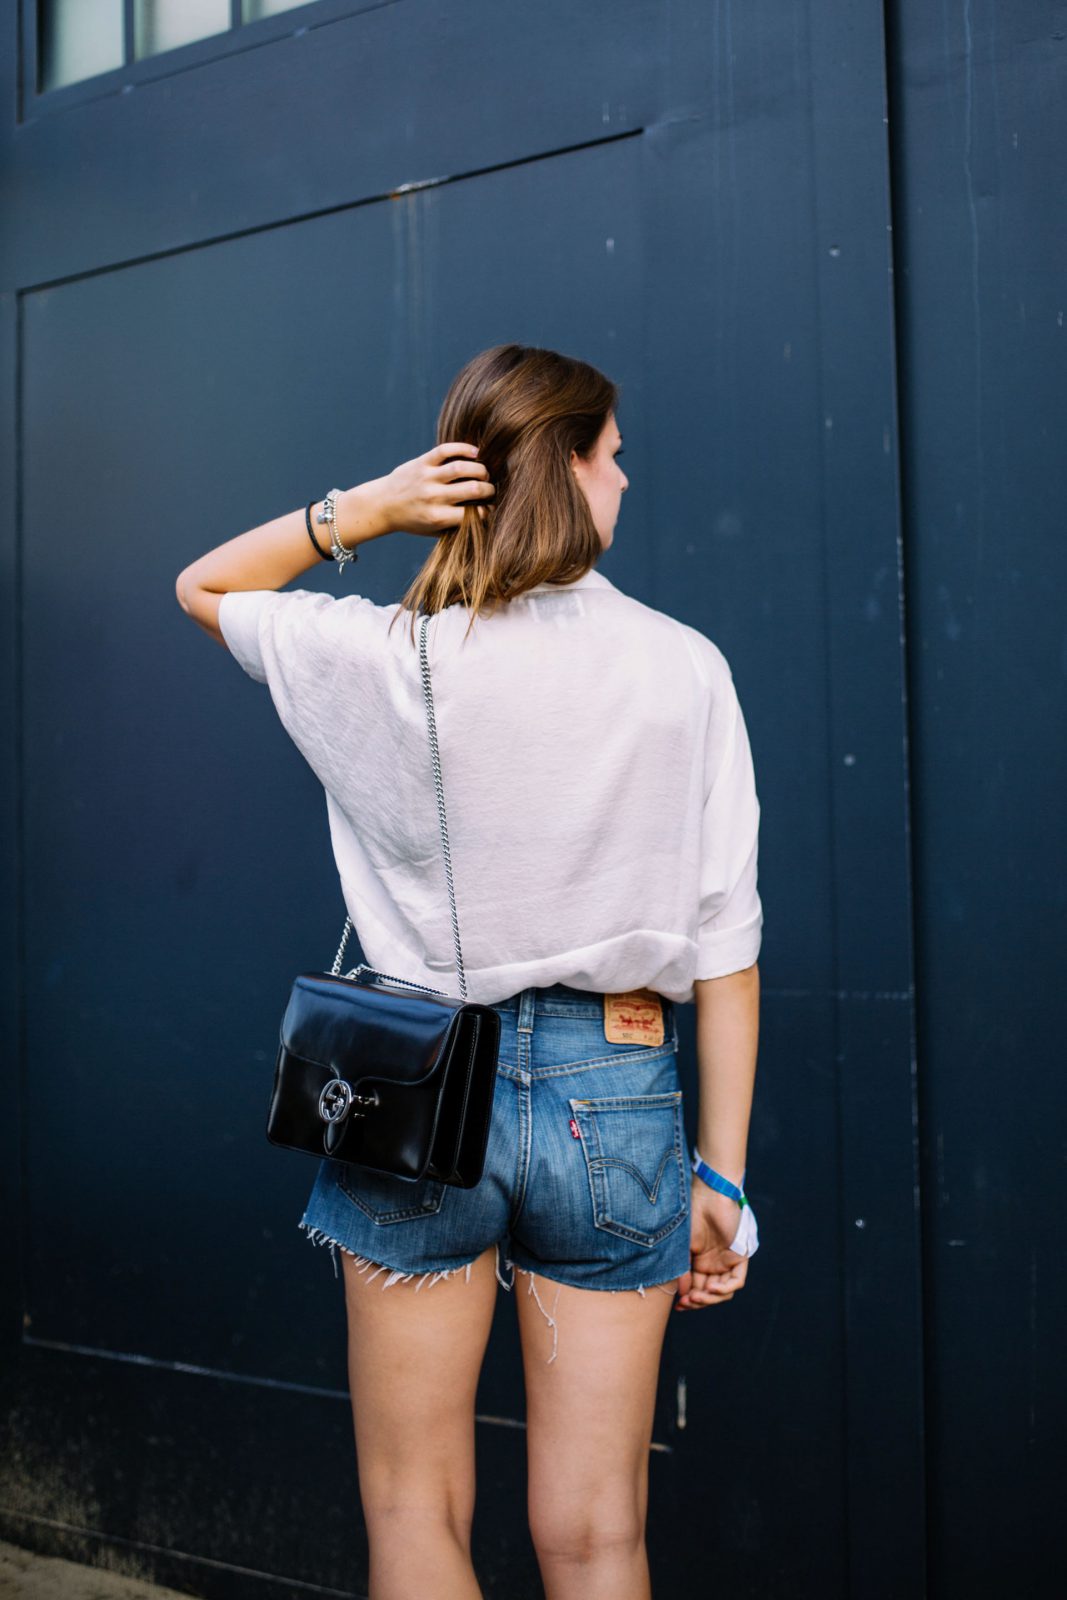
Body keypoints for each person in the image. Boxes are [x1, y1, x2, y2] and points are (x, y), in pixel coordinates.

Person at [175, 343, 763, 1600]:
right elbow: (727, 947)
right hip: (618, 1090)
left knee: (414, 1511)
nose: (625, 479)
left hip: (415, 1093)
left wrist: (366, 511)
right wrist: (720, 1174)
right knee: (598, 1533)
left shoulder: (393, 656)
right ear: (567, 466)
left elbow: (205, 586)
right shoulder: (683, 668)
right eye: (611, 455)